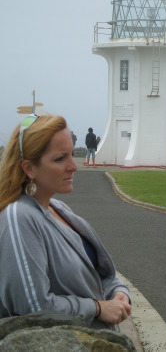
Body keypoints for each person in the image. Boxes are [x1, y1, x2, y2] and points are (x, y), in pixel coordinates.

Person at [0, 115, 131, 329]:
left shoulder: (59, 209)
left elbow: (100, 274)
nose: (73, 166)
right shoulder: (19, 217)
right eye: (60, 158)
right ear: (29, 168)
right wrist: (97, 308)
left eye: (72, 154)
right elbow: (33, 307)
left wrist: (119, 293)